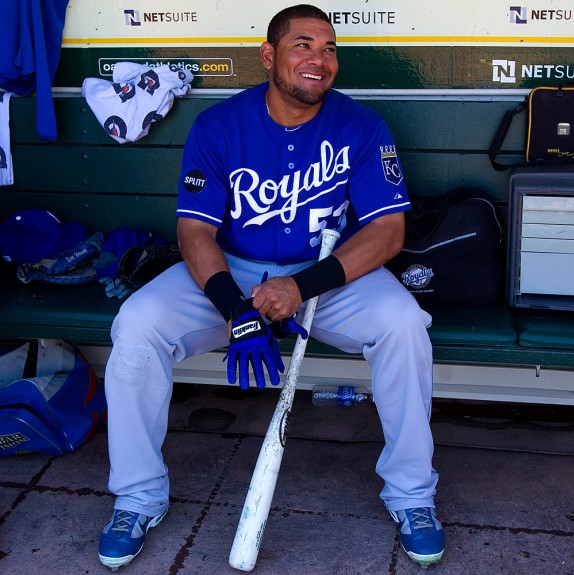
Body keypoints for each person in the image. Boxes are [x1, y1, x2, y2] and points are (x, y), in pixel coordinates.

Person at [98, 4, 445, 570]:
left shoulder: (361, 127)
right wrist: (236, 310)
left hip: (328, 276)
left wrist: (300, 287)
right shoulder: (218, 125)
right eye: (303, 45)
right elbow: (194, 232)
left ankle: (412, 495)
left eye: (329, 48)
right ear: (269, 55)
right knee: (137, 324)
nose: (319, 58)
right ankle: (137, 496)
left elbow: (387, 233)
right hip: (229, 272)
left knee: (405, 327)